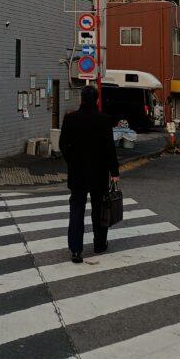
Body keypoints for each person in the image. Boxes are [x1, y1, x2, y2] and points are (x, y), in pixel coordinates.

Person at [59, 84, 119, 263]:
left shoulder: (70, 119)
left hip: (77, 173)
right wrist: (114, 171)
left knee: (76, 211)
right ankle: (99, 244)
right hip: (99, 173)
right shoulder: (104, 120)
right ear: (97, 100)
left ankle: (76, 250)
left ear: (81, 99)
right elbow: (110, 149)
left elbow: (63, 145)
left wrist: (72, 161)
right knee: (99, 210)